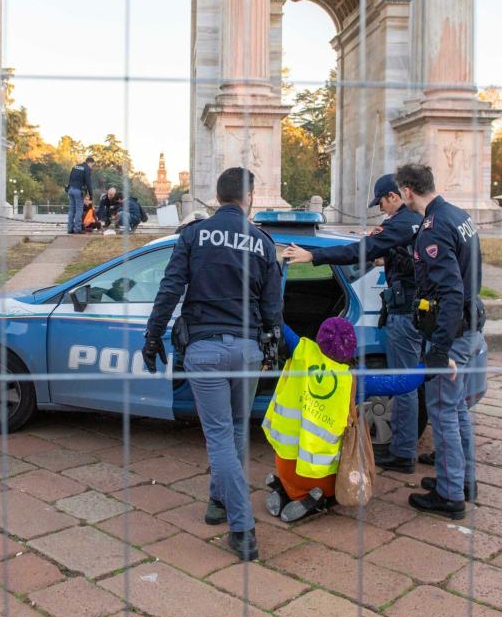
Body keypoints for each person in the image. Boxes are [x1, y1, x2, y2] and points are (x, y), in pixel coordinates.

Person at [141, 167, 282, 561]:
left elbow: (170, 288)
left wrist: (152, 336)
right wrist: (274, 347)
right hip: (248, 349)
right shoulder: (262, 241)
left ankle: (243, 529)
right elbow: (273, 305)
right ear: (249, 196)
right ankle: (218, 502)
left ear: (218, 196)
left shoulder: (193, 234)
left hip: (205, 348)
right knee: (235, 430)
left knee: (220, 436)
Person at [281, 173, 425, 473]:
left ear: (394, 197)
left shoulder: (399, 224)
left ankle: (402, 452)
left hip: (404, 313)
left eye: (382, 203)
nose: (382, 209)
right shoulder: (414, 222)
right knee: (407, 381)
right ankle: (405, 447)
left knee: (403, 385)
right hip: (414, 310)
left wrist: (313, 255)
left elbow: (356, 251)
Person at [262, 316, 425, 523]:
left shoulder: (301, 351)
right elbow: (399, 383)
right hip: (317, 474)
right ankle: (313, 498)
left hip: (284, 463)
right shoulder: (353, 379)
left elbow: (279, 323)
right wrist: (429, 367)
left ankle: (286, 488)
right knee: (338, 476)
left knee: (289, 467)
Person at [395, 163, 487, 519]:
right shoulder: (458, 216)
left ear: (406, 191)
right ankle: (462, 480)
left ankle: (450, 496)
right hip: (469, 325)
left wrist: (439, 350)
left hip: (452, 332)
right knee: (458, 407)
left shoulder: (434, 229)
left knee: (443, 410)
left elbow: (450, 291)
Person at [66, 156, 95, 234]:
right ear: (90, 163)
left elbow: (70, 178)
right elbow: (89, 183)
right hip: (78, 190)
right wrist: (91, 196)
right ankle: (77, 229)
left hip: (70, 189)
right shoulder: (87, 169)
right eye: (92, 165)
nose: (91, 167)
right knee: (79, 210)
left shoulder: (75, 166)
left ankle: (70, 229)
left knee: (71, 209)